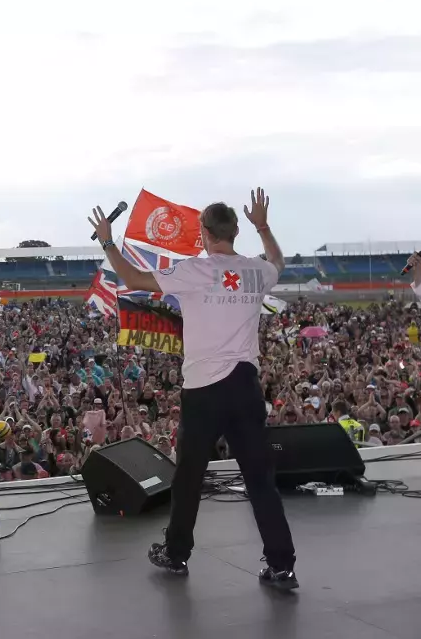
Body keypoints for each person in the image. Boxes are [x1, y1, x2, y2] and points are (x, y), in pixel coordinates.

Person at [88, 187, 298, 590]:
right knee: (259, 479)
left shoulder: (194, 271)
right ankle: (282, 564)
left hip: (204, 389)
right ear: (236, 231)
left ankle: (176, 552)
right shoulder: (256, 270)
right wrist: (264, 226)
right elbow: (278, 261)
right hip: (246, 385)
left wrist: (108, 240)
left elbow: (131, 277)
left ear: (203, 232)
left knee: (188, 477)